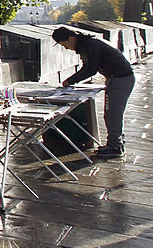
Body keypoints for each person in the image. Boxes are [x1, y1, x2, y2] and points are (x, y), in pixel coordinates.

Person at [52, 26, 133, 158]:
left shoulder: (90, 45)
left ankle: (115, 147)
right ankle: (116, 142)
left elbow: (91, 69)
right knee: (111, 113)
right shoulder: (87, 45)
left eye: (64, 44)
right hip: (116, 78)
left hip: (121, 79)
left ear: (71, 38)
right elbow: (88, 66)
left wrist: (70, 81)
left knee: (113, 113)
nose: (66, 48)